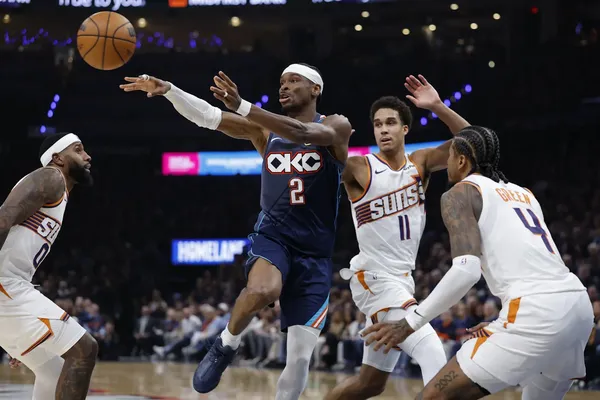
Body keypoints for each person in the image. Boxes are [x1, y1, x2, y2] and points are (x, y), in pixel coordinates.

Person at [120, 64, 352, 398]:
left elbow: (302, 133)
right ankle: (225, 344)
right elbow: (209, 117)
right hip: (274, 237)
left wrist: (243, 105)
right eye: (281, 82)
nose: (284, 87)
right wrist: (170, 90)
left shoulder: (336, 125)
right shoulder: (264, 132)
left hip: (315, 253)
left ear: (316, 89)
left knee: (300, 358)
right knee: (264, 290)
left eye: (294, 81)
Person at [362, 126, 594, 400]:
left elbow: (466, 270)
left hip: (536, 313)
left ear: (461, 160)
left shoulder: (460, 193)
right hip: (577, 307)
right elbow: (529, 267)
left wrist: (409, 323)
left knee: (432, 397)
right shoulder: (524, 194)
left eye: (450, 156)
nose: (447, 162)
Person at [326, 75, 470, 399]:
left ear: (405, 129)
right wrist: (332, 140)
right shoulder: (360, 167)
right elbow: (324, 161)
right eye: (378, 124)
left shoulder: (420, 163)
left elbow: (471, 141)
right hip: (374, 280)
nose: (383, 129)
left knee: (369, 384)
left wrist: (437, 106)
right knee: (431, 349)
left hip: (403, 281)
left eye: (390, 123)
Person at [0, 133, 98, 400]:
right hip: (6, 286)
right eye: (78, 150)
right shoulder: (50, 177)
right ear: (58, 158)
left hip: (12, 290)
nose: (87, 156)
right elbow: (3, 219)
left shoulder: (59, 193)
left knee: (52, 371)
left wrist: (18, 327)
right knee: (84, 350)